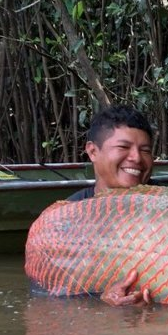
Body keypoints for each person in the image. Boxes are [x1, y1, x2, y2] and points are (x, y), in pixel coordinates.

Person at [67, 105, 155, 307]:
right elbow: (46, 301)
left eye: (145, 150)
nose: (136, 158)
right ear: (92, 151)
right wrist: (102, 303)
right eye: (123, 147)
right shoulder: (68, 218)